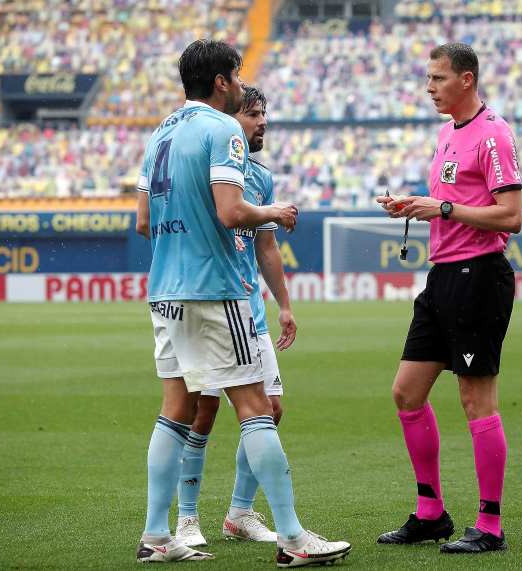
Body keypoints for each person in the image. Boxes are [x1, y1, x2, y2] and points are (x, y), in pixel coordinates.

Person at [134, 39, 351, 566]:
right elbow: (232, 213)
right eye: (236, 75)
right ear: (221, 82)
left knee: (175, 411)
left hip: (165, 289)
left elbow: (143, 222)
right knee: (256, 409)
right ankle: (294, 540)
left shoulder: (160, 133)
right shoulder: (222, 130)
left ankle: (157, 536)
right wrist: (274, 210)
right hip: (215, 288)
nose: (238, 83)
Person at [375, 43, 522, 554]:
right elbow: (450, 204)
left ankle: (490, 525)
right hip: (442, 278)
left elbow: (511, 216)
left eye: (438, 78)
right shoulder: (447, 134)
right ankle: (431, 513)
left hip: (479, 277)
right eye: (428, 79)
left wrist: (442, 207)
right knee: (406, 392)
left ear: (466, 79)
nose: (429, 87)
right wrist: (416, 205)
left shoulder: (495, 134)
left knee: (475, 399)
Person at [174, 86, 298, 547]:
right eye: (252, 114)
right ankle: (186, 518)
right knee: (202, 412)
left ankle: (240, 513)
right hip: (211, 303)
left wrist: (283, 304)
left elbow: (266, 246)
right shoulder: (207, 171)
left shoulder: (261, 178)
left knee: (271, 409)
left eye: (264, 113)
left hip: (252, 313)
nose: (261, 121)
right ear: (230, 118)